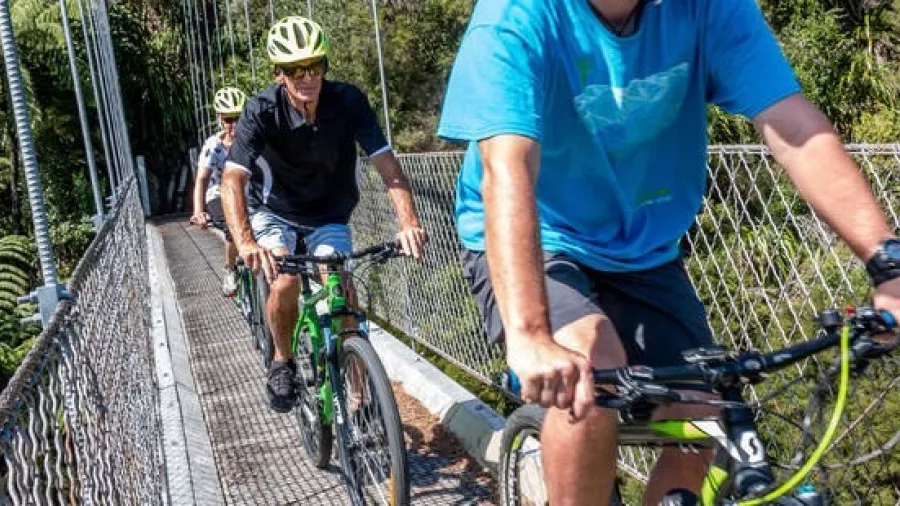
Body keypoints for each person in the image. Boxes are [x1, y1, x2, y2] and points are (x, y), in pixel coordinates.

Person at [437, 1, 900, 505]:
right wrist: (530, 337)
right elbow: (508, 168)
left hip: (642, 245)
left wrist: (888, 266)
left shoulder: (709, 8)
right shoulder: (516, 15)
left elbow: (794, 128)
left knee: (707, 410)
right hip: (537, 232)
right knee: (589, 382)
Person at [221, 16, 427, 413]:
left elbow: (386, 163)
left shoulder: (348, 101)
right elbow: (232, 180)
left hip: (329, 212)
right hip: (275, 209)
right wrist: (245, 243)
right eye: (295, 70)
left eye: (314, 66)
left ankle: (358, 389)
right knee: (282, 281)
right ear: (280, 74)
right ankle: (282, 360)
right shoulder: (260, 111)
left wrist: (409, 222)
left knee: (340, 289)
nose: (307, 77)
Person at [190, 87, 247, 297]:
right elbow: (202, 178)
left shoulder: (252, 141)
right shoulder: (214, 146)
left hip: (248, 192)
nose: (233, 125)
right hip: (219, 194)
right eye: (228, 119)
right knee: (234, 228)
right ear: (220, 120)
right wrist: (198, 211)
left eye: (238, 118)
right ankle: (230, 269)